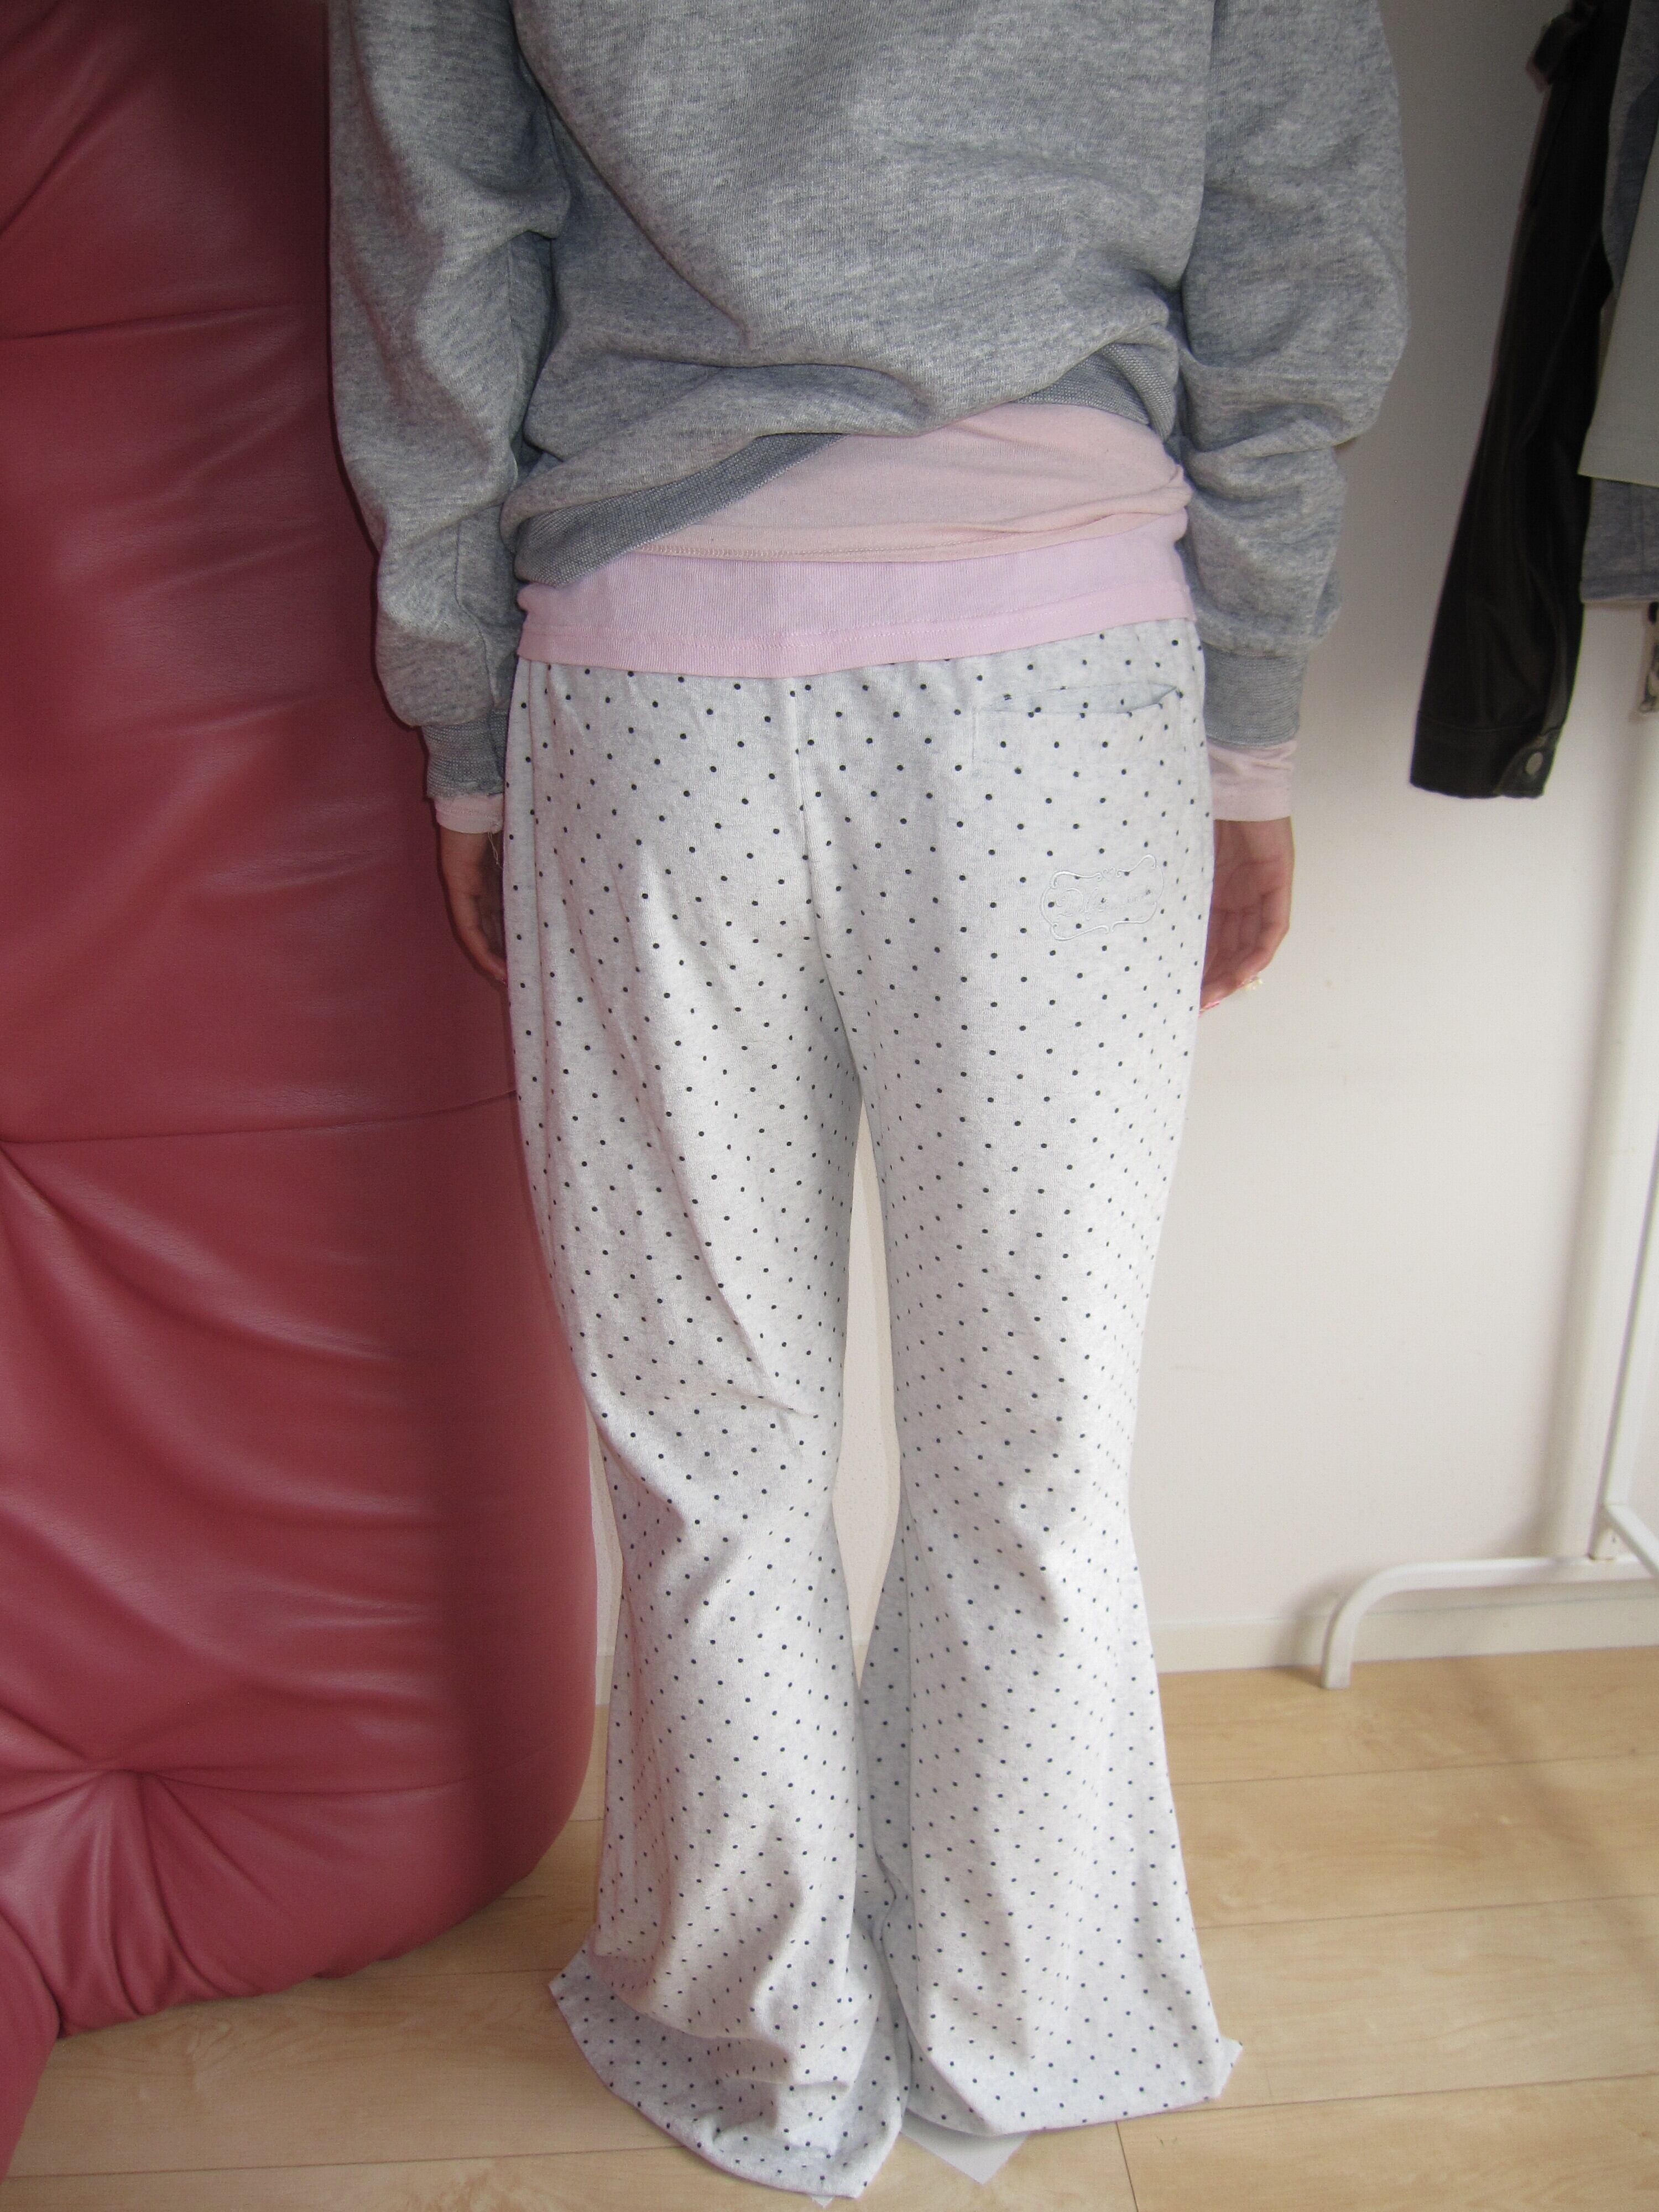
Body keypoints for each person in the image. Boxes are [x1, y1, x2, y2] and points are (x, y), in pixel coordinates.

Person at [328, 3, 1406, 2195]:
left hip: (652, 673)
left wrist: (465, 717)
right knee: (1034, 1442)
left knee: (705, 1439)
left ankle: (766, 2044)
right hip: (1058, 672)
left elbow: (437, 238)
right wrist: (1249, 708)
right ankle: (1023, 2018)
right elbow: (1299, 233)